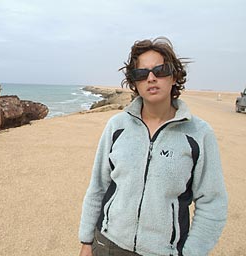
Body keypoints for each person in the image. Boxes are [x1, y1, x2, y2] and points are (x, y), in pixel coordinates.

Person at [78, 37, 228, 256]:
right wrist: (86, 241)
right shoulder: (116, 126)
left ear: (174, 77)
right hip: (107, 245)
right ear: (135, 83)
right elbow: (98, 187)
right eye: (141, 73)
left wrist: (192, 252)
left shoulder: (199, 134)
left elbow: (212, 203)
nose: (151, 78)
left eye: (160, 70)